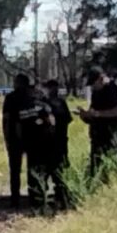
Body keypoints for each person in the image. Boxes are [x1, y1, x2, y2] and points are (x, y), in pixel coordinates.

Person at [3, 74, 53, 208]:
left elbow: (7, 119)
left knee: (15, 170)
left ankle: (15, 199)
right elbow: (46, 117)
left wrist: (6, 138)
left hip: (15, 137)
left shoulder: (11, 98)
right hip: (34, 137)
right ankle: (35, 198)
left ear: (16, 83)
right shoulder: (35, 96)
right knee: (34, 169)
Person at [77, 67, 117, 179]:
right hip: (97, 135)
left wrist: (97, 114)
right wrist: (85, 115)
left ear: (100, 79)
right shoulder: (96, 92)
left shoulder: (112, 89)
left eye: (94, 83)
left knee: (109, 166)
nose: (93, 87)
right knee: (96, 167)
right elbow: (93, 111)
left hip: (111, 134)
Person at [43, 79, 73, 208]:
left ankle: (61, 197)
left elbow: (67, 119)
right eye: (50, 88)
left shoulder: (61, 103)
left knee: (60, 171)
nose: (52, 90)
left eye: (54, 88)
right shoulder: (43, 103)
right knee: (46, 170)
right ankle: (44, 197)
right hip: (47, 142)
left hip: (60, 140)